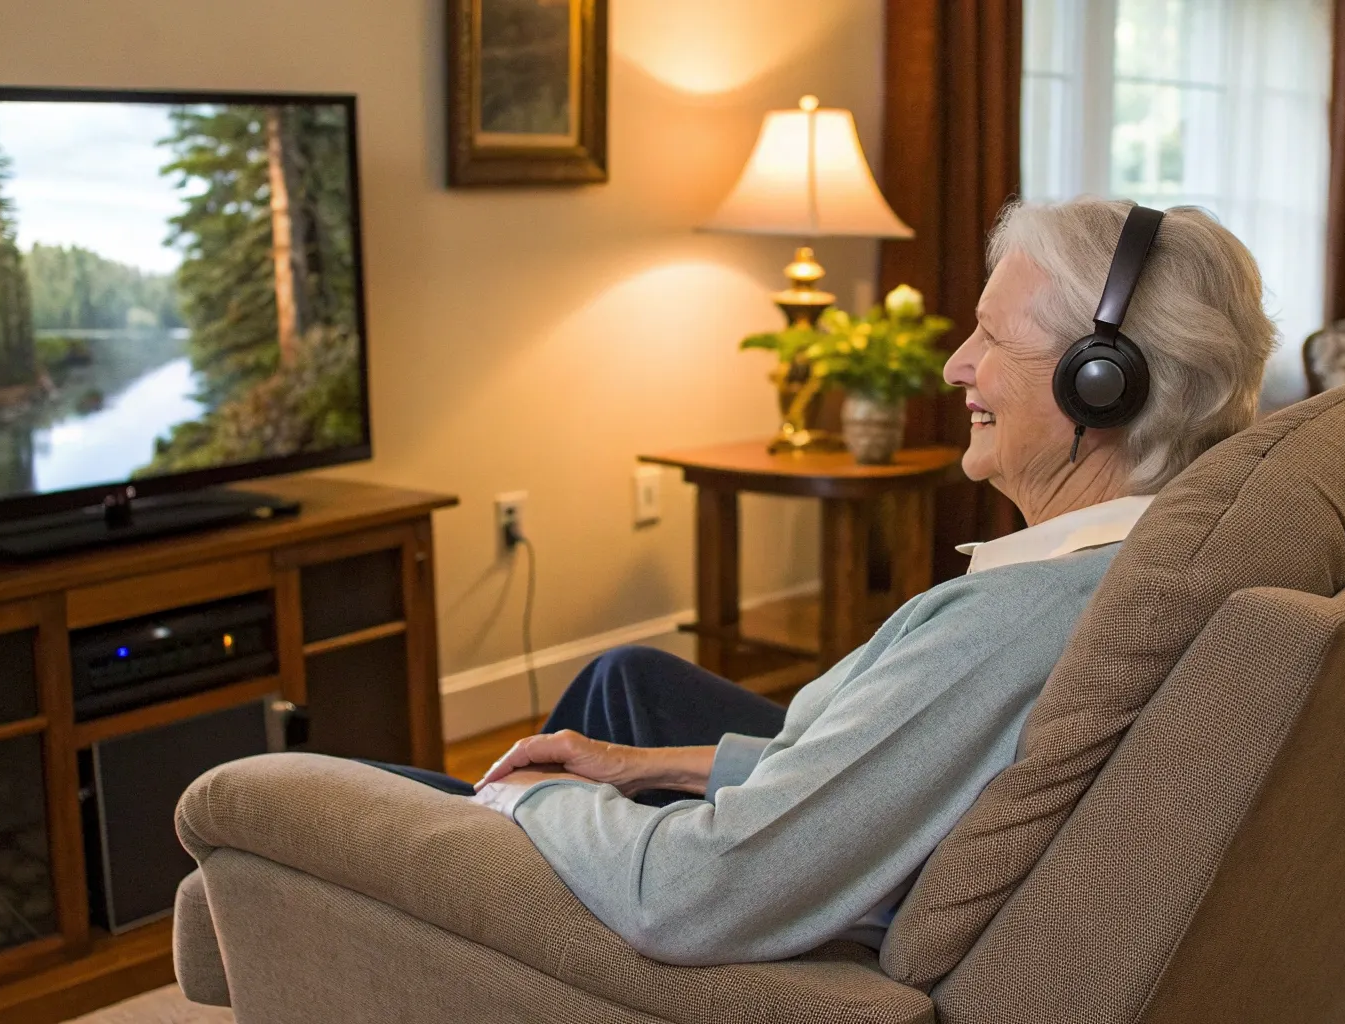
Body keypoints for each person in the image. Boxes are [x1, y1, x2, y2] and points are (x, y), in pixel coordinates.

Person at [373, 197, 1275, 966]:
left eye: (992, 339)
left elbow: (696, 895)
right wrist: (647, 768)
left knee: (306, 791)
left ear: (1101, 386)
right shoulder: (1166, 553)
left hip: (736, 923)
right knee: (624, 686)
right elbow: (885, 778)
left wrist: (543, 800)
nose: (956, 365)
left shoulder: (1012, 623)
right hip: (838, 830)